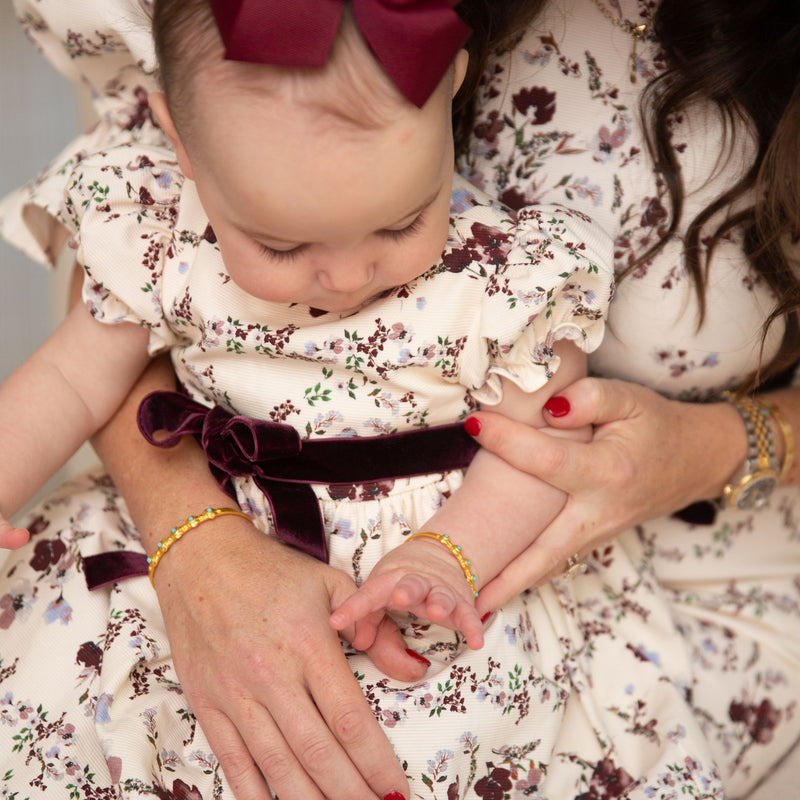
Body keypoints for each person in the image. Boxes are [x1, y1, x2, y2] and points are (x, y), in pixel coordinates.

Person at [1, 1, 799, 799]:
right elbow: (70, 380)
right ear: (182, 144)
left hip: (446, 587)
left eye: (401, 222)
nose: (348, 278)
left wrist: (446, 556)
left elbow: (536, 454)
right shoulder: (160, 230)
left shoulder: (508, 278)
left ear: (453, 89)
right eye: (281, 244)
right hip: (189, 550)